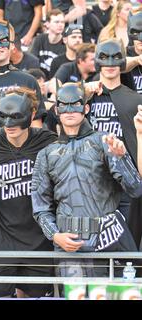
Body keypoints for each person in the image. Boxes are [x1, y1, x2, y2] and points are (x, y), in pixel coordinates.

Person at [32, 82, 142, 282]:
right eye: (64, 105)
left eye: (75, 104)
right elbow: (40, 207)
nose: (69, 110)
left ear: (86, 108)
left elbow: (135, 189)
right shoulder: (46, 154)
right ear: (56, 110)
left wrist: (123, 157)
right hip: (68, 244)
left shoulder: (105, 142)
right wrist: (55, 235)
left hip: (107, 240)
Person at [0, 87, 57, 298]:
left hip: (37, 238)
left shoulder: (48, 142)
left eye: (16, 117)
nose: (9, 124)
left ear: (31, 115)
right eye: (3, 116)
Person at [88, 40, 142, 246]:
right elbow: (57, 116)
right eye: (104, 57)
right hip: (94, 180)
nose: (110, 63)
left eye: (115, 57)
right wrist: (84, 93)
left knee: (129, 246)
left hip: (128, 182)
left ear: (122, 61)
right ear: (96, 61)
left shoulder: (135, 99)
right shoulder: (87, 96)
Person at [30, 9, 66, 79]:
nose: (60, 25)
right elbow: (32, 61)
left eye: (62, 22)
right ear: (47, 24)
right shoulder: (40, 39)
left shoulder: (65, 43)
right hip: (38, 79)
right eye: (56, 22)